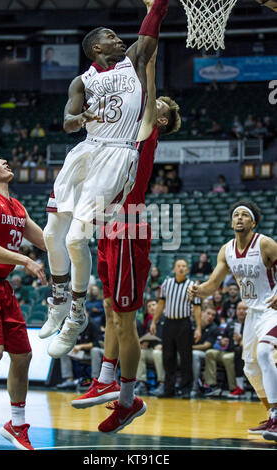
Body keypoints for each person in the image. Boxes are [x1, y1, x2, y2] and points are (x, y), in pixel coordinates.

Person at [64, 10, 181, 434]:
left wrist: (154, 12)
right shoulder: (122, 130)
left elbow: (146, 78)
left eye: (158, 105)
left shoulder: (146, 131)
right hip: (111, 224)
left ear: (161, 120)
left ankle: (128, 398)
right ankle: (106, 380)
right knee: (113, 310)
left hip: (129, 224)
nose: (153, 101)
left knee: (124, 318)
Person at [40, 0, 170, 366]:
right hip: (86, 150)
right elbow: (66, 122)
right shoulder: (82, 80)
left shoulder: (134, 61)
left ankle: (77, 313)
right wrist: (81, 116)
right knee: (53, 234)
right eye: (111, 36)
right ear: (97, 47)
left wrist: (158, 3)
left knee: (78, 238)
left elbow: (152, 28)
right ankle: (59, 298)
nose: (119, 39)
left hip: (118, 154)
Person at [188, 200, 277, 442]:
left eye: (244, 215)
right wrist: (198, 291)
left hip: (272, 309)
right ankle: (272, 414)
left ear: (253, 222)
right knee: (249, 366)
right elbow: (212, 285)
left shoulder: (266, 244)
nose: (239, 218)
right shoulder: (226, 250)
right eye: (235, 215)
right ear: (231, 222)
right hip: (252, 313)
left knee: (265, 353)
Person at [0, 148, 47, 450]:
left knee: (22, 356)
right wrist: (26, 261)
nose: (4, 161)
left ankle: (16, 425)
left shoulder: (17, 207)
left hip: (2, 286)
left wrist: (77, 240)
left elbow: (45, 240)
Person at [150, 259, 202, 398]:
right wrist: (154, 322)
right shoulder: (167, 283)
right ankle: (169, 389)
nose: (181, 268)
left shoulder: (192, 285)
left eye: (183, 266)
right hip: (168, 323)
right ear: (174, 269)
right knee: (167, 357)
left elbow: (197, 308)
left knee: (186, 357)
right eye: (178, 266)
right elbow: (161, 303)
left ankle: (185, 389)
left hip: (184, 324)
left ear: (187, 270)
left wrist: (198, 327)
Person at [56, 312, 104, 390]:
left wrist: (81, 346)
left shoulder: (93, 325)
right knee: (64, 351)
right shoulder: (75, 326)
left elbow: (98, 344)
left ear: (87, 315)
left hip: (96, 354)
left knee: (94, 350)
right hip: (82, 354)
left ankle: (95, 381)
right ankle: (69, 380)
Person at [191, 303, 218, 397]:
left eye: (213, 315)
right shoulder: (192, 324)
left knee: (195, 354)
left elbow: (206, 346)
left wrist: (188, 348)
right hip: (188, 352)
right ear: (201, 313)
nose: (210, 317)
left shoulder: (214, 327)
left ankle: (194, 388)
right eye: (208, 313)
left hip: (205, 354)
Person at [227, 301, 247, 398]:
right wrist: (222, 340)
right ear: (236, 311)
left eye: (244, 309)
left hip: (244, 352)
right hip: (229, 350)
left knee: (238, 351)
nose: (241, 311)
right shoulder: (231, 323)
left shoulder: (251, 324)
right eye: (239, 309)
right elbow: (222, 337)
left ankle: (240, 387)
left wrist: (240, 340)